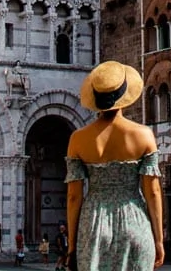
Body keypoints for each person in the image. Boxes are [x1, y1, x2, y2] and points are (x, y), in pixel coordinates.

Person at [65, 60, 164, 270]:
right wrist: (159, 240)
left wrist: (72, 245)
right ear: (124, 96)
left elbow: (74, 196)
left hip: (92, 224)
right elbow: (153, 192)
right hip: (135, 222)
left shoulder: (78, 139)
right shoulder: (144, 135)